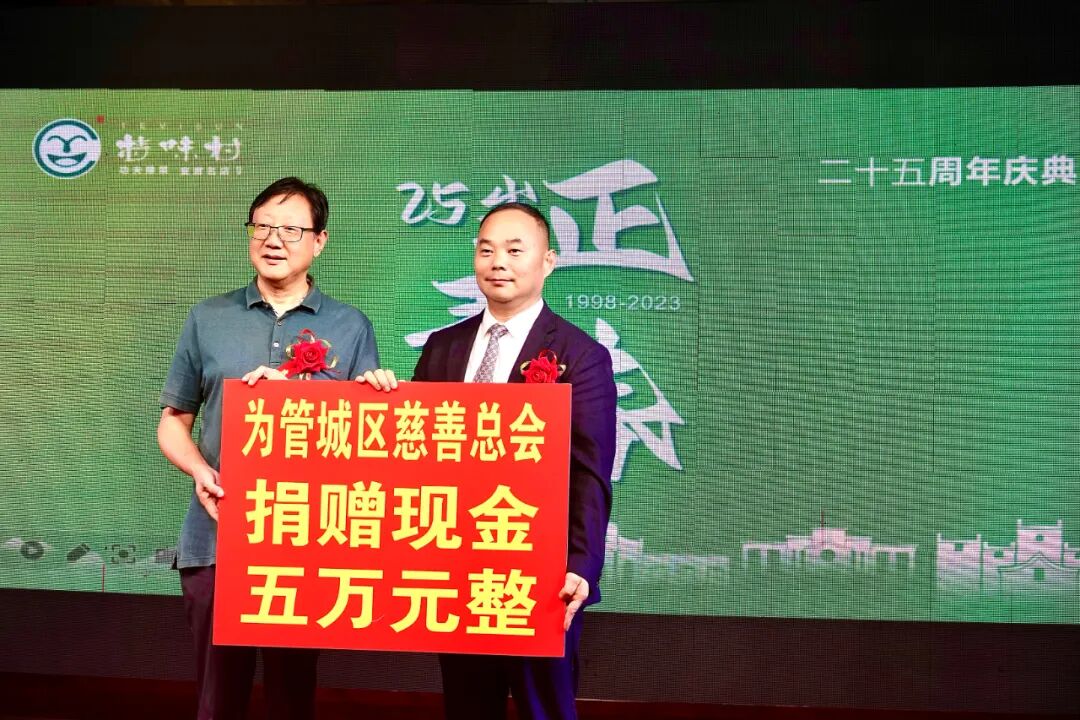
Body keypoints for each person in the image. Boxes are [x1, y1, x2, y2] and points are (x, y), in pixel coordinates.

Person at [360, 202, 616, 720]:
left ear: (548, 261)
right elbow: (416, 456)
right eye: (486, 249)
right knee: (467, 703)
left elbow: (590, 473)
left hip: (540, 574)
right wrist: (380, 401)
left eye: (515, 250)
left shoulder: (581, 355)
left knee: (544, 706)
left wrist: (581, 566)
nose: (498, 261)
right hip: (457, 567)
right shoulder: (442, 347)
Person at [157, 177, 380, 720]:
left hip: (305, 543)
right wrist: (201, 471)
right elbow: (173, 422)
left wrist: (376, 395)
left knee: (291, 693)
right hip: (217, 535)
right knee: (218, 697)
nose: (274, 239)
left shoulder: (350, 326)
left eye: (291, 229)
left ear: (319, 241)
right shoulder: (208, 317)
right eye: (262, 226)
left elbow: (364, 442)